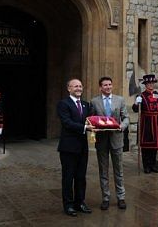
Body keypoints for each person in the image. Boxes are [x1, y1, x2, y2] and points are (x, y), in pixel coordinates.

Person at [56, 78, 95, 217]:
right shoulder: (63, 104)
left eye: (80, 86)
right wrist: (85, 127)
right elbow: (67, 123)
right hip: (68, 147)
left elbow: (92, 119)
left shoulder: (85, 105)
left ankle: (80, 202)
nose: (78, 88)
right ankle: (68, 205)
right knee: (68, 177)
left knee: (81, 177)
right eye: (75, 86)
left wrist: (104, 123)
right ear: (69, 89)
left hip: (82, 147)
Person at [90, 76, 129, 210]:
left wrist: (122, 126)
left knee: (119, 170)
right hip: (101, 140)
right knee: (103, 171)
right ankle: (105, 198)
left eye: (110, 84)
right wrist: (93, 127)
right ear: (100, 87)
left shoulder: (120, 100)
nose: (108, 87)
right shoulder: (94, 101)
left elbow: (126, 117)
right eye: (105, 85)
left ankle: (121, 197)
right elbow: (92, 118)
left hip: (116, 139)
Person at [132, 74, 158, 173]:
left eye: (152, 83)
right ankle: (146, 166)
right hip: (147, 123)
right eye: (149, 83)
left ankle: (153, 165)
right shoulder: (141, 96)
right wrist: (136, 103)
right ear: (145, 85)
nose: (151, 85)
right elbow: (135, 110)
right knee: (146, 146)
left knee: (155, 146)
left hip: (157, 122)